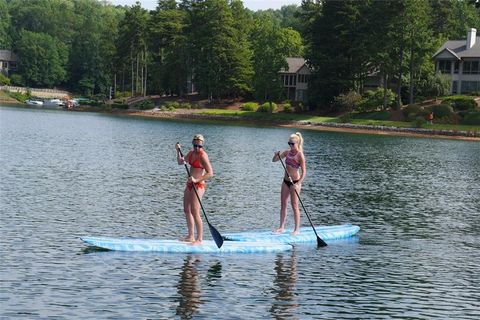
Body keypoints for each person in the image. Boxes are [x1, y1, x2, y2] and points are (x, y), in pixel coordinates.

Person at [175, 134, 213, 245]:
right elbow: (180, 162)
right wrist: (178, 151)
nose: (197, 148)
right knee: (187, 210)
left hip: (199, 185)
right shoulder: (191, 153)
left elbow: (210, 173)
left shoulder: (203, 156)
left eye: (199, 146)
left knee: (195, 211)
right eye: (195, 145)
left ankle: (199, 239)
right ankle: (190, 236)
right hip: (190, 184)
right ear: (193, 144)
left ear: (202, 146)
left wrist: (196, 180)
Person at [272, 132, 306, 235]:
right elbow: (274, 160)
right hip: (286, 181)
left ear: (297, 143)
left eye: (292, 144)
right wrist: (276, 155)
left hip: (295, 182)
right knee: (283, 204)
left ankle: (297, 230)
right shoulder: (287, 152)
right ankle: (281, 227)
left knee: (294, 205)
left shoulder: (300, 155)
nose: (290, 146)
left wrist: (298, 183)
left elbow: (304, 172)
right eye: (289, 143)